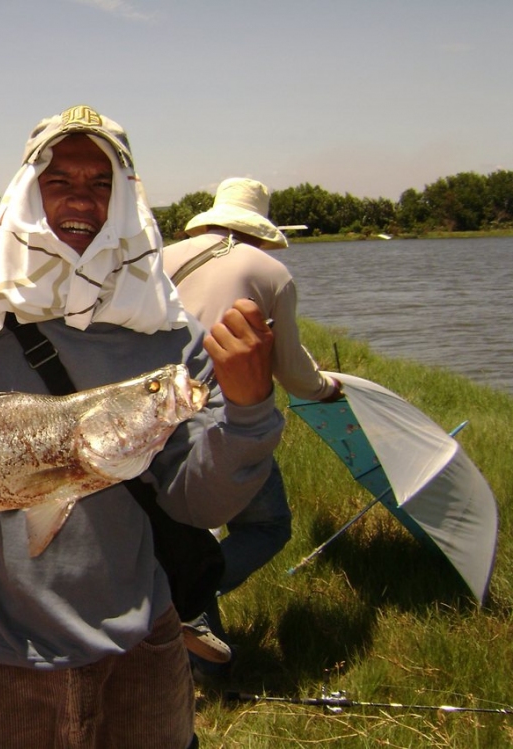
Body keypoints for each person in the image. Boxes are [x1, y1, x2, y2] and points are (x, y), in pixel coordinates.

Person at [0, 107, 284, 748]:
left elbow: (194, 500)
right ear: (28, 190)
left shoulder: (168, 329)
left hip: (144, 643)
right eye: (60, 180)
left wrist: (251, 408)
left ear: (125, 198)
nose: (81, 201)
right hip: (10, 652)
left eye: (101, 183)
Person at [162, 177, 343, 670]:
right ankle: (188, 597)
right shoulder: (271, 271)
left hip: (156, 409)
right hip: (226, 412)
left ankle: (190, 643)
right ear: (261, 230)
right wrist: (326, 388)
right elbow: (291, 368)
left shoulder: (164, 257)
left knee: (174, 524)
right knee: (267, 525)